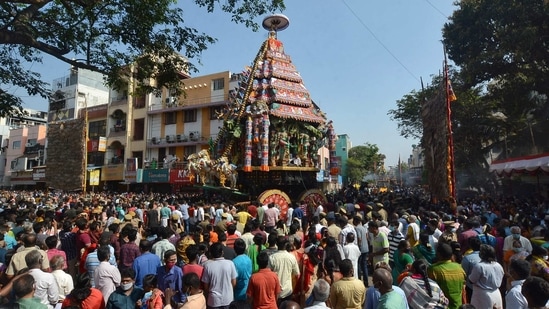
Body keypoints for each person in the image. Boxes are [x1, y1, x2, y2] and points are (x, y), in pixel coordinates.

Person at [428, 243, 466, 309]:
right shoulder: (459, 267)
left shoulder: (433, 269)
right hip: (458, 305)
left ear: (439, 254)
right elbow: (463, 289)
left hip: (442, 306)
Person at [201, 242, 237, 308]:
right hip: (228, 299)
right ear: (222, 252)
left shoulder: (207, 266)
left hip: (213, 301)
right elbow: (234, 283)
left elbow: (206, 286)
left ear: (211, 253)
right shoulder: (230, 264)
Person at [468, 244, 504, 309]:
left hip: (482, 295)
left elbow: (471, 280)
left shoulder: (479, 266)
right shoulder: (498, 265)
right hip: (496, 293)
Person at [269, 237, 300, 303]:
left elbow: (268, 274)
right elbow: (297, 273)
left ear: (276, 244)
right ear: (286, 245)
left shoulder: (272, 258)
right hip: (287, 291)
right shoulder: (291, 257)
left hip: (275, 291)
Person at [461, 237, 481, 303]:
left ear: (470, 246)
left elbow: (463, 274)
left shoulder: (467, 258)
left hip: (471, 288)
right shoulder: (486, 257)